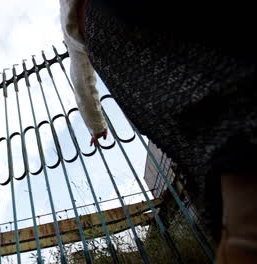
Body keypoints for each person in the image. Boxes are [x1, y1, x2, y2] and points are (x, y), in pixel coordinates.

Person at [60, 0, 257, 263]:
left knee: (196, 123)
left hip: (105, 41)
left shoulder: (69, 14)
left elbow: (80, 74)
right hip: (112, 26)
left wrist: (95, 123)